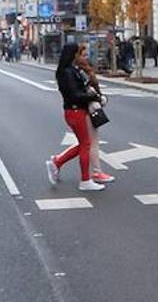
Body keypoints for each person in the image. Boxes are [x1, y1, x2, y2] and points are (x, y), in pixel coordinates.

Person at [45, 43, 107, 192]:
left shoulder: (67, 70)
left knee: (84, 144)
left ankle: (57, 162)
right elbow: (74, 94)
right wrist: (92, 96)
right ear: (73, 55)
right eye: (77, 53)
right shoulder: (68, 72)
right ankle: (85, 180)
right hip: (76, 111)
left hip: (75, 111)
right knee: (86, 145)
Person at [75, 48, 114, 185]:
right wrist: (97, 96)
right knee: (91, 143)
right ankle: (97, 172)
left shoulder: (84, 69)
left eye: (87, 54)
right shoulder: (80, 72)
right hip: (88, 108)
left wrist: (100, 96)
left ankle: (57, 161)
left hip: (91, 106)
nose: (86, 57)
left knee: (87, 143)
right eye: (83, 55)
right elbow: (85, 91)